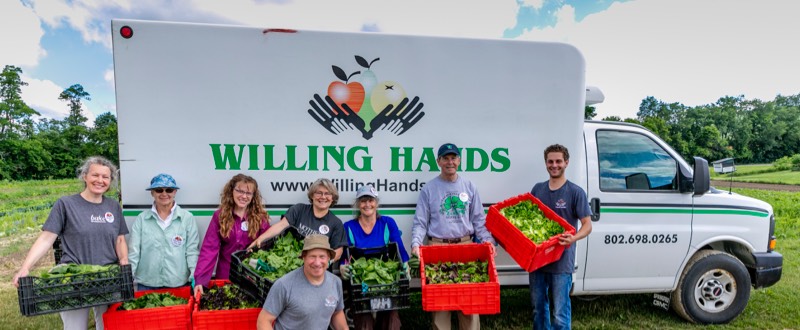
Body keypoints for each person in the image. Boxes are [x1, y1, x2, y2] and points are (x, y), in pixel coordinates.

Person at [12, 156, 128, 330]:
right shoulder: (66, 204)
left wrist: (124, 261)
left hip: (107, 276)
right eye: (95, 175)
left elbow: (120, 238)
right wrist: (25, 267)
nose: (100, 180)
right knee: (75, 327)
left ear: (111, 181)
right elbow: (46, 237)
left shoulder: (113, 206)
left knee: (108, 325)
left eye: (105, 177)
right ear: (85, 176)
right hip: (73, 277)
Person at [411, 143, 496, 330]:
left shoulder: (469, 186)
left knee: (470, 304)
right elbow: (420, 222)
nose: (450, 162)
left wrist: (488, 241)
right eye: (445, 158)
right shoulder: (429, 189)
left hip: (466, 248)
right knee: (440, 306)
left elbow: (479, 220)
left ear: (459, 160)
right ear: (438, 161)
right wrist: (416, 244)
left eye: (453, 158)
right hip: (437, 249)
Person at [529, 144, 593, 330]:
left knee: (559, 312)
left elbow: (587, 225)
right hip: (538, 260)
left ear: (566, 162)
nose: (554, 165)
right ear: (546, 163)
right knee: (538, 309)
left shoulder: (575, 192)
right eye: (550, 161)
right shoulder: (538, 189)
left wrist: (573, 238)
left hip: (561, 260)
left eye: (558, 161)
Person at [339, 184, 409, 330]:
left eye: (371, 200)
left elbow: (400, 249)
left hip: (386, 282)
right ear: (358, 204)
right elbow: (345, 255)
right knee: (364, 320)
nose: (367, 204)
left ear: (376, 203)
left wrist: (406, 263)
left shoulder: (387, 223)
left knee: (391, 318)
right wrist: (343, 265)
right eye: (363, 201)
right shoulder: (349, 226)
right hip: (361, 284)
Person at [194, 174, 271, 296]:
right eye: (240, 191)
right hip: (226, 274)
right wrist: (200, 280)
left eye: (249, 193)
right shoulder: (220, 216)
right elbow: (209, 249)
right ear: (231, 191)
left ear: (253, 196)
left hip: (252, 275)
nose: (244, 196)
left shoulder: (260, 218)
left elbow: (268, 246)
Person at [257, 234, 348, 330]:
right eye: (312, 257)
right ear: (304, 257)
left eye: (322, 257)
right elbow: (263, 321)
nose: (317, 263)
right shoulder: (284, 285)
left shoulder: (335, 282)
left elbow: (337, 313)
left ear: (328, 258)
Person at [248, 178, 347, 263]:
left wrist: (326, 263)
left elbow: (338, 250)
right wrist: (260, 239)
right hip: (292, 261)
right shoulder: (299, 210)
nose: (323, 197)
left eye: (327, 194)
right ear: (312, 195)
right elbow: (281, 226)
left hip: (318, 269)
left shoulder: (336, 223)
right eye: (319, 193)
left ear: (333, 198)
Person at [129, 173, 199, 291]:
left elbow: (192, 251)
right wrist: (128, 277)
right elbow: (134, 252)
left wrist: (194, 275)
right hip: (147, 284)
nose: (164, 194)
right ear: (152, 193)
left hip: (178, 283)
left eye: (169, 190)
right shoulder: (141, 219)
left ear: (175, 192)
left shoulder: (187, 218)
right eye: (159, 190)